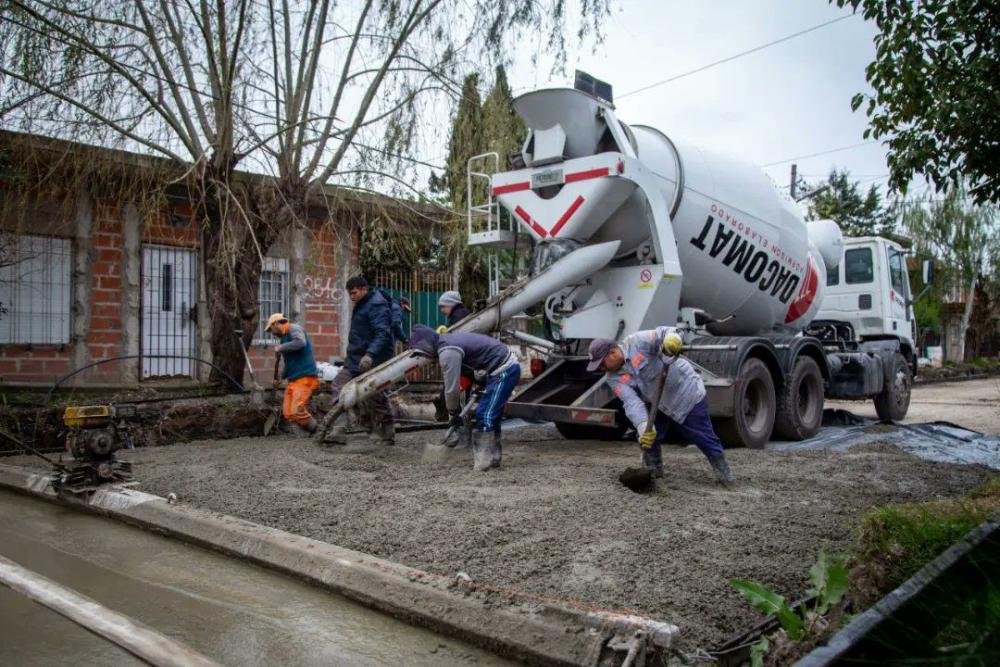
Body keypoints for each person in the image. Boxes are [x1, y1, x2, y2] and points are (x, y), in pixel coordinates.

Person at [586, 327, 735, 486]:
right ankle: (652, 475)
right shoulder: (612, 377)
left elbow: (664, 332)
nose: (602, 369)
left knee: (704, 439)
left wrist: (673, 338)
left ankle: (726, 478)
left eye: (602, 364)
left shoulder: (638, 341)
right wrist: (643, 426)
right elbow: (631, 402)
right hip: (658, 402)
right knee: (647, 437)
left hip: (686, 395)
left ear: (613, 353)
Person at [410, 324, 520, 472]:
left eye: (422, 352)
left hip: (504, 368)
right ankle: (493, 458)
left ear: (427, 344)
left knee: (485, 414)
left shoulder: (447, 351)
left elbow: (452, 389)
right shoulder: (447, 342)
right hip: (494, 368)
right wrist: (478, 378)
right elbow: (468, 369)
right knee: (492, 414)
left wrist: (453, 413)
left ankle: (484, 462)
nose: (424, 357)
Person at [329, 275, 396, 445]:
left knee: (373, 394)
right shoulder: (363, 303)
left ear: (364, 289)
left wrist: (370, 355)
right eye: (349, 294)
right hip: (355, 358)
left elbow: (382, 333)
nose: (351, 297)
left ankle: (387, 431)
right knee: (339, 385)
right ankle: (339, 428)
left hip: (373, 358)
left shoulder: (376, 304)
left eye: (354, 293)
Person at [266, 313, 319, 434]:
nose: (272, 332)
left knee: (296, 410)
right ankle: (313, 430)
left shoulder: (294, 328)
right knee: (288, 413)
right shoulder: (284, 338)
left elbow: (301, 342)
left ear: (276, 323)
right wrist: (280, 378)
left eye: (271, 329)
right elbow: (289, 364)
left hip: (305, 377)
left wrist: (281, 347)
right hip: (293, 379)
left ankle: (318, 430)